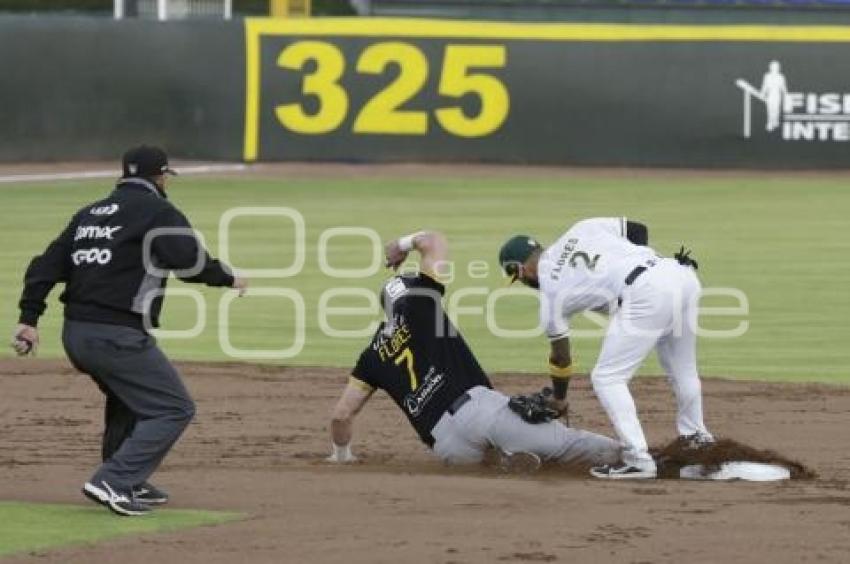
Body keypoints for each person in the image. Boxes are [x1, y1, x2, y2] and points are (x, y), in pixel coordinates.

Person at [11, 145, 247, 516]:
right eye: (167, 176)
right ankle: (114, 479)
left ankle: (129, 478)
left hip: (76, 334)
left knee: (128, 398)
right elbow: (188, 261)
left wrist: (29, 320)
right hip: (116, 335)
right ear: (160, 175)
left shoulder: (88, 214)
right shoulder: (158, 211)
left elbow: (44, 267)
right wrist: (228, 277)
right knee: (173, 408)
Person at [327, 230, 620, 471]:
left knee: (485, 463)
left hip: (448, 447)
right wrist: (402, 245)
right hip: (478, 411)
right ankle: (639, 459)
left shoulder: (371, 357)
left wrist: (342, 456)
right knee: (573, 445)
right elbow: (433, 241)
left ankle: (504, 460)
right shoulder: (420, 301)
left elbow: (341, 415)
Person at [498, 217, 713, 480]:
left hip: (646, 291)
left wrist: (560, 396)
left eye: (517, 278)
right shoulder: (580, 228)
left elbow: (561, 356)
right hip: (680, 273)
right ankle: (696, 437)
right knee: (683, 369)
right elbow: (637, 229)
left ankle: (637, 459)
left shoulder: (551, 295)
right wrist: (638, 262)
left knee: (607, 377)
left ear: (519, 270)